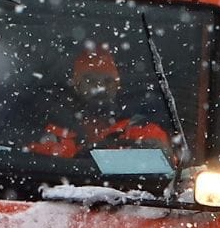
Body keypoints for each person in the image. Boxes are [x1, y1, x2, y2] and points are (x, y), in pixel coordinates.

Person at [29, 43, 170, 158]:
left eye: (108, 81)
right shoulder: (49, 127)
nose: (100, 87)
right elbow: (34, 167)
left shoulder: (140, 129)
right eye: (90, 80)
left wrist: (154, 151)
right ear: (76, 85)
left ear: (117, 86)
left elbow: (165, 163)